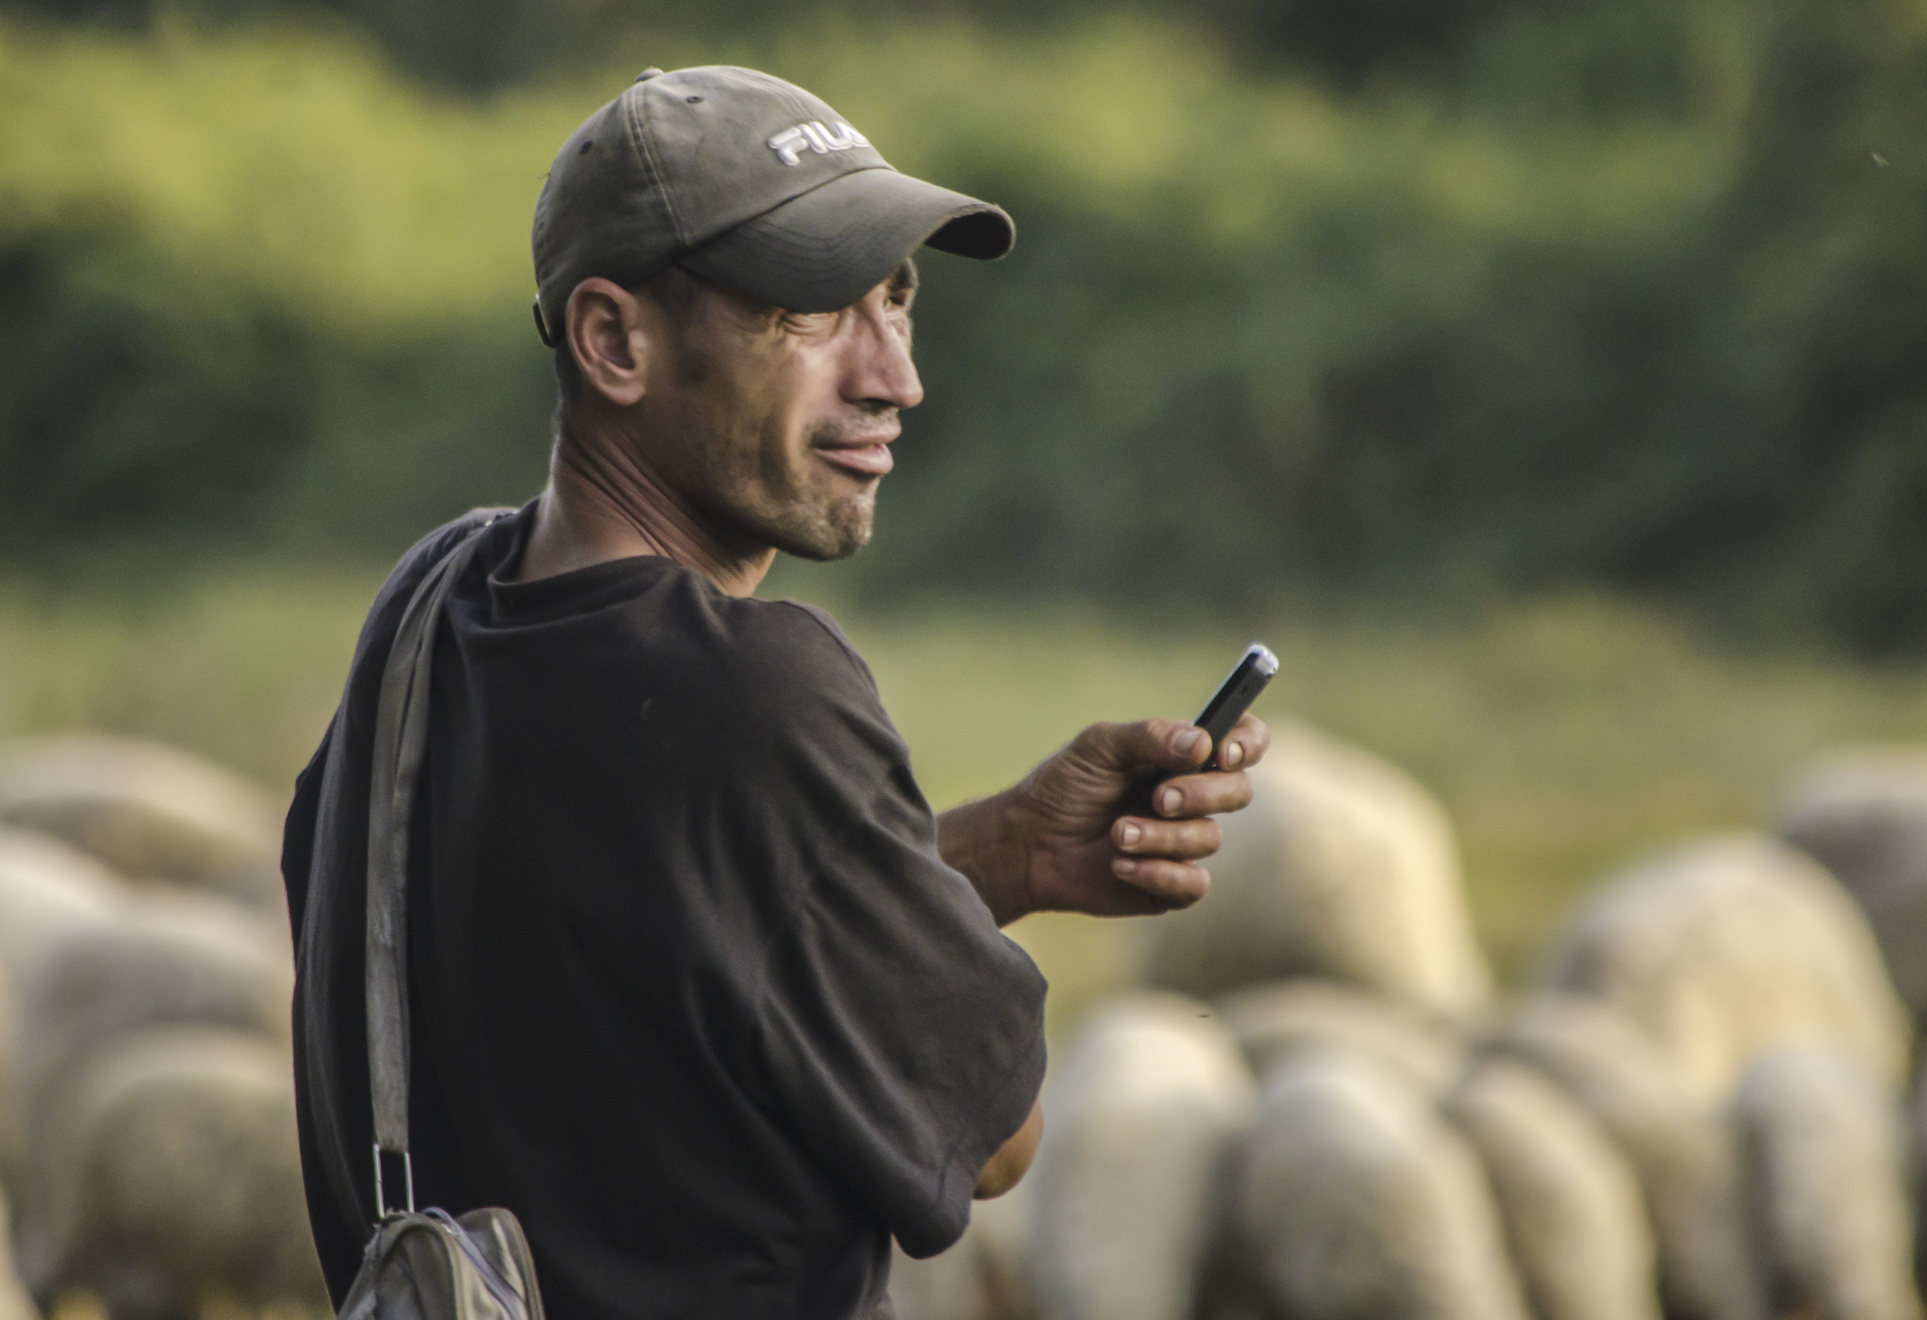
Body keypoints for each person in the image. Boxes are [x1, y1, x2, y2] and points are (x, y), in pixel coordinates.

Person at [282, 64, 1269, 1320]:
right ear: (613, 340)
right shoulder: (750, 694)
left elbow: (655, 1015)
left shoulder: (427, 608)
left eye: (896, 299)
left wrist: (1002, 854)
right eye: (806, 314)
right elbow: (987, 1135)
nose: (893, 376)